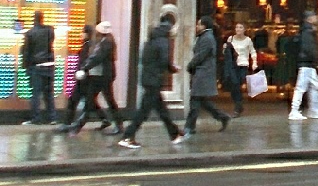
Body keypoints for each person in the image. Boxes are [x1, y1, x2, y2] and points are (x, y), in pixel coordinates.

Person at [118, 15, 185, 149]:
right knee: (144, 111)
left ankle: (175, 134)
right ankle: (127, 136)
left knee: (162, 110)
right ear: (171, 27)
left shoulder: (151, 38)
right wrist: (172, 69)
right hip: (154, 80)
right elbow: (164, 60)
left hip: (148, 78)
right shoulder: (163, 41)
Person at [70, 21, 123, 135]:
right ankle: (118, 125)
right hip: (103, 75)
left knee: (93, 100)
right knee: (104, 100)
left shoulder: (105, 43)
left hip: (102, 76)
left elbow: (97, 57)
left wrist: (84, 68)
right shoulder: (107, 41)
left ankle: (79, 125)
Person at [184, 16, 230, 135]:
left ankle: (189, 127)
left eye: (199, 24)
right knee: (203, 101)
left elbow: (200, 55)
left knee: (194, 99)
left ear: (204, 26)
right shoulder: (204, 37)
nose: (197, 26)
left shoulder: (207, 38)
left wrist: (190, 65)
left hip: (203, 73)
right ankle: (222, 116)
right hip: (202, 72)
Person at [57, 26, 108, 133]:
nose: (81, 34)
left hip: (84, 78)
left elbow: (86, 61)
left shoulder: (89, 46)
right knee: (90, 102)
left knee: (75, 100)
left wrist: (81, 71)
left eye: (83, 33)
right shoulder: (90, 46)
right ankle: (104, 119)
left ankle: (67, 123)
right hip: (85, 77)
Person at [289, 11, 318, 121]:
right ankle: (295, 110)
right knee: (301, 87)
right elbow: (310, 48)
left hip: (308, 63)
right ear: (309, 19)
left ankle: (314, 109)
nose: (316, 18)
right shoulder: (308, 32)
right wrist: (317, 61)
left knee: (313, 85)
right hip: (307, 63)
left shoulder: (306, 31)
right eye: (314, 16)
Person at [21, 10, 57, 125]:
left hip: (36, 67)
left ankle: (36, 118)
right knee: (49, 93)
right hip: (49, 65)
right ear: (43, 18)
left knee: (35, 94)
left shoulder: (30, 33)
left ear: (34, 19)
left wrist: (25, 66)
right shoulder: (50, 31)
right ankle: (52, 118)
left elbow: (26, 52)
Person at [223, 22, 257, 117]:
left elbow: (252, 51)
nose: (238, 29)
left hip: (243, 64)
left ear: (244, 29)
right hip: (233, 65)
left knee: (238, 84)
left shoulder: (248, 40)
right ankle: (238, 106)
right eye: (237, 27)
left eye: (240, 27)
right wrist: (224, 48)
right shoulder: (231, 39)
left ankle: (238, 105)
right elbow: (226, 52)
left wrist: (254, 62)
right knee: (235, 84)